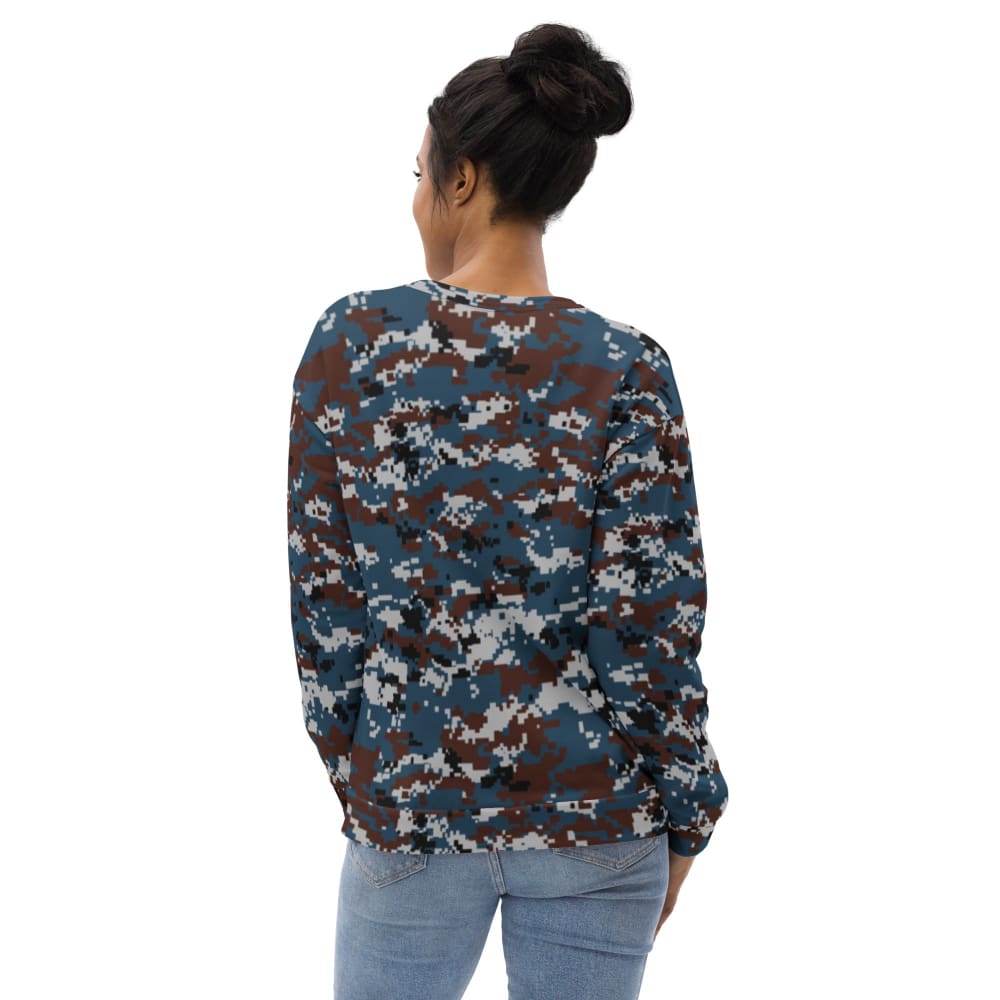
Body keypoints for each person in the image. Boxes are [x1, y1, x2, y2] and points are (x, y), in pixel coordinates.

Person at [287, 22, 729, 1000]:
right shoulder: (625, 366)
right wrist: (688, 810)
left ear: (461, 178)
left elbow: (327, 613)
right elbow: (648, 625)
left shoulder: (350, 342)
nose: (415, 199)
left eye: (419, 175)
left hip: (412, 806)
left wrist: (375, 780)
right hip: (599, 817)